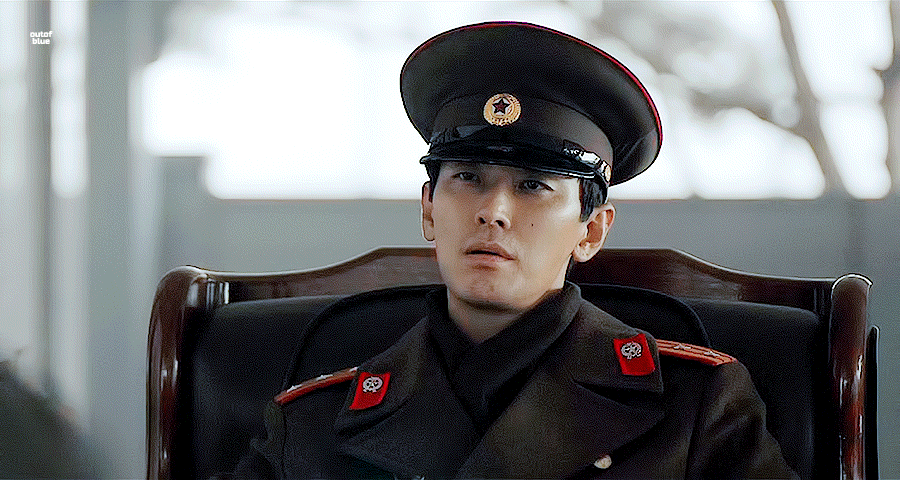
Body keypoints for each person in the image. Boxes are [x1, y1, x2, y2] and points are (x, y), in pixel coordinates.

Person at [230, 21, 797, 479]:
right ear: (428, 210)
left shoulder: (695, 406)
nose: (493, 212)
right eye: (468, 178)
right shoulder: (310, 423)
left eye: (532, 186)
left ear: (591, 232)